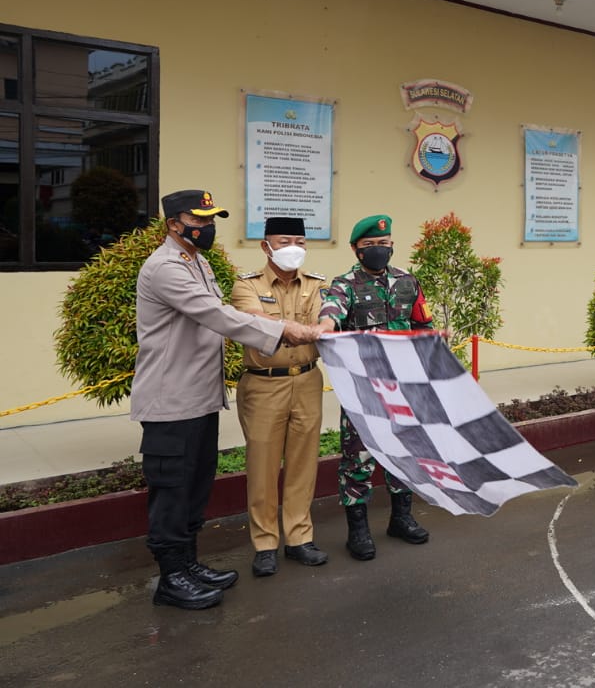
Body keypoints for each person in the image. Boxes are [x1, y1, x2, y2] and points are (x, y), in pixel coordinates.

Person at [132, 190, 320, 610]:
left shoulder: (195, 262)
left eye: (212, 217)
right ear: (174, 224)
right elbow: (218, 316)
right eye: (199, 219)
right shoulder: (165, 267)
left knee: (195, 487)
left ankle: (188, 563)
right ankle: (170, 577)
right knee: (172, 489)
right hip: (170, 400)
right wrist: (286, 330)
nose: (208, 226)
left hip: (199, 397)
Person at [318, 214, 433, 561]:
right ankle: (359, 532)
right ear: (356, 250)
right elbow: (331, 310)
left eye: (384, 244)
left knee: (405, 452)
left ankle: (401, 518)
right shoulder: (345, 285)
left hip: (402, 388)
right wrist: (324, 323)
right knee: (358, 459)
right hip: (363, 391)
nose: (379, 250)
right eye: (370, 246)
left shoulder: (406, 282)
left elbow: (422, 324)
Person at [230, 216, 329, 578]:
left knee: (304, 464)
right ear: (265, 246)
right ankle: (265, 543)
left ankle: (299, 537)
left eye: (300, 242)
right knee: (262, 466)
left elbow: (326, 321)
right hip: (263, 385)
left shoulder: (318, 285)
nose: (294, 248)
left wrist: (317, 329)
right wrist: (305, 331)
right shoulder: (246, 287)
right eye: (285, 240)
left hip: (306, 381)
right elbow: (256, 324)